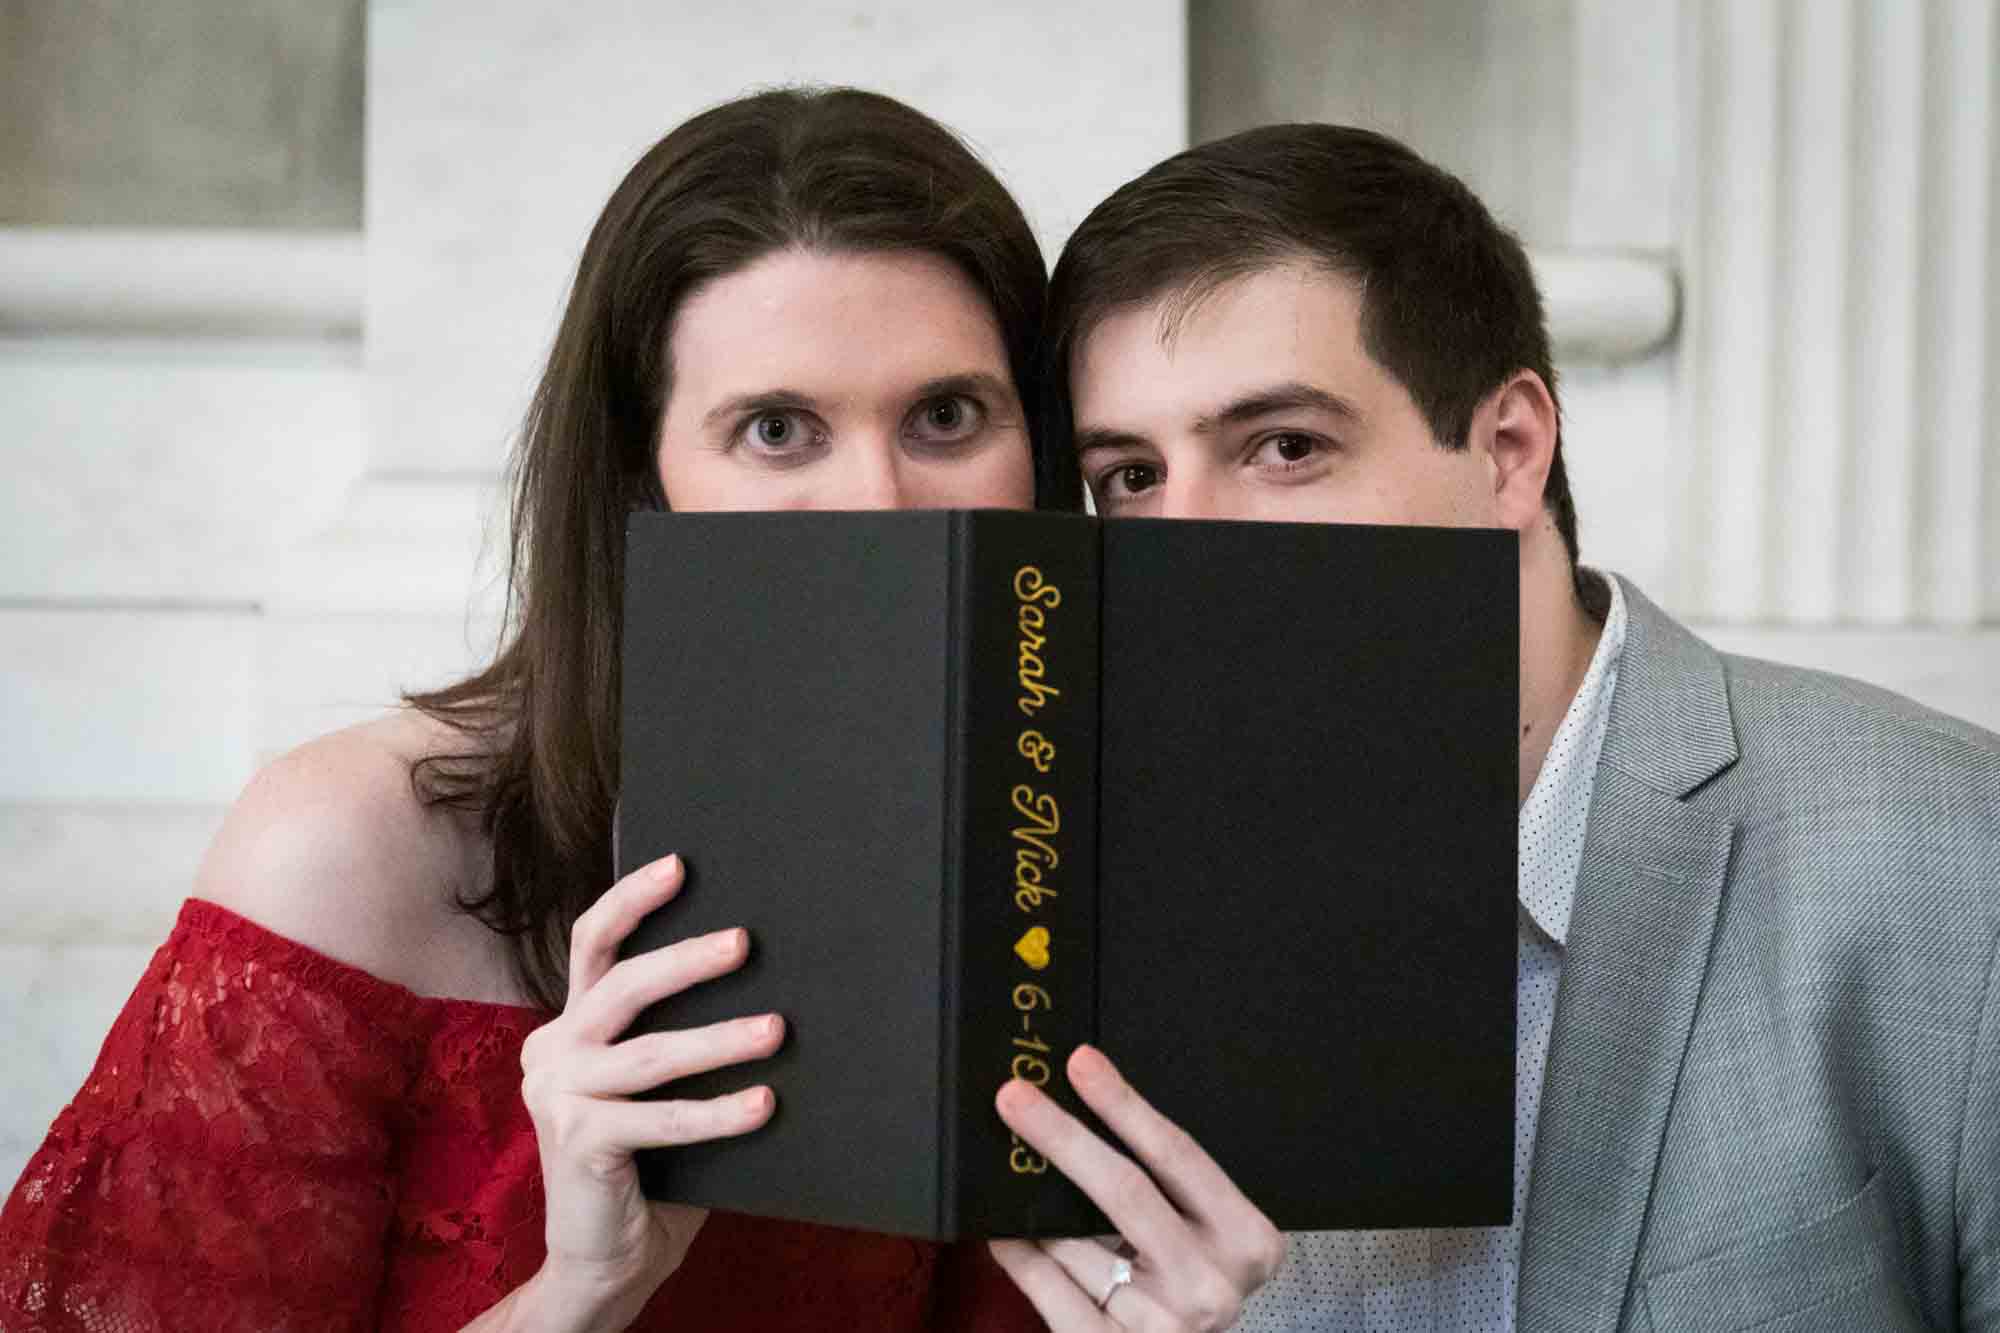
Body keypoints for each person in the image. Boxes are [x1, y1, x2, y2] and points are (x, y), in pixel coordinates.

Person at [0, 88, 1282, 1333]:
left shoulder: (1118, 852)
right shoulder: (349, 844)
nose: (883, 505)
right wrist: (577, 1294)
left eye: (946, 416)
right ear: (645, 480)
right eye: (778, 429)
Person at [1040, 123, 2000, 1332]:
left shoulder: (1954, 853)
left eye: (1284, 447)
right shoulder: (1086, 916)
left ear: (1506, 451)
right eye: (1130, 477)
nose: (1181, 546)